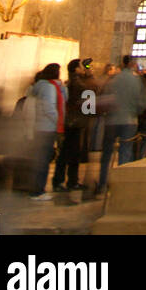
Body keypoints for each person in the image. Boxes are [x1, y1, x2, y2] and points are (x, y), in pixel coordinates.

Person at [96, 54, 146, 196]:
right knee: (125, 152)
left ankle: (102, 184)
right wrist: (134, 111)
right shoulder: (137, 81)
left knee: (106, 154)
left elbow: (104, 98)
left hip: (111, 121)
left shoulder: (113, 79)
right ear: (132, 64)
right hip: (129, 121)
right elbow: (142, 103)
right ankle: (119, 186)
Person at [53, 59, 93, 196]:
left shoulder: (73, 82)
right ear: (76, 69)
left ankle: (68, 180)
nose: (85, 69)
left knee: (69, 153)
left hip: (73, 121)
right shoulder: (78, 84)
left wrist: (87, 67)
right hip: (75, 122)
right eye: (82, 67)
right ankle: (66, 181)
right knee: (70, 153)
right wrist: (89, 73)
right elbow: (91, 94)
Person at [27, 63, 66, 200]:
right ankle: (38, 191)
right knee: (44, 159)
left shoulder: (39, 86)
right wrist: (58, 121)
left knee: (40, 159)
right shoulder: (48, 88)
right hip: (47, 127)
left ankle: (36, 188)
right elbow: (50, 108)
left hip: (39, 126)